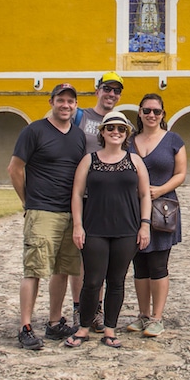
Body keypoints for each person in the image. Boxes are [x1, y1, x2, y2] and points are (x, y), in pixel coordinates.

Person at [7, 83, 85, 351]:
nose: (66, 105)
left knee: (63, 269)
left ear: (76, 105)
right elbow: (15, 169)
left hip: (69, 211)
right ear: (51, 101)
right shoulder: (34, 131)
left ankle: (54, 322)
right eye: (61, 100)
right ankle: (25, 326)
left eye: (70, 101)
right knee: (34, 270)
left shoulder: (78, 136)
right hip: (42, 210)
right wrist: (27, 201)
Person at [66, 111, 151, 349]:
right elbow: (76, 194)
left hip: (127, 229)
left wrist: (145, 225)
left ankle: (110, 329)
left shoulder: (134, 161)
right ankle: (84, 326)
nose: (116, 132)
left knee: (117, 281)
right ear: (102, 132)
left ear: (127, 135)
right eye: (111, 128)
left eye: (121, 129)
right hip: (95, 229)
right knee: (92, 281)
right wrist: (78, 225)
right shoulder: (89, 160)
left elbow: (145, 194)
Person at [70, 71, 125, 331]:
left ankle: (97, 309)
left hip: (108, 202)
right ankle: (79, 307)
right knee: (82, 260)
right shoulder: (81, 117)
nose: (111, 94)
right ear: (97, 90)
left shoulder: (119, 123)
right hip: (84, 197)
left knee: (101, 262)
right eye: (107, 89)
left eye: (116, 91)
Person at [128, 93, 186, 338]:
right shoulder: (129, 141)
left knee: (158, 264)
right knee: (139, 265)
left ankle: (157, 317)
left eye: (157, 111)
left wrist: (160, 189)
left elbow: (181, 173)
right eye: (147, 110)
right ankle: (142, 315)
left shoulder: (173, 139)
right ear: (140, 113)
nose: (152, 115)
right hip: (132, 209)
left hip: (162, 209)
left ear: (163, 114)